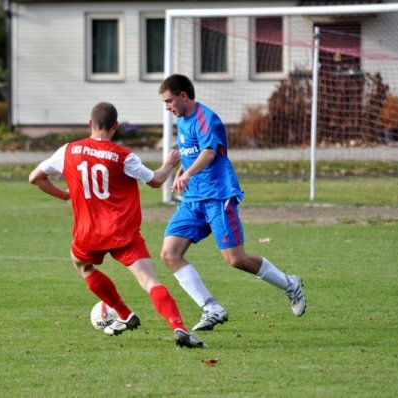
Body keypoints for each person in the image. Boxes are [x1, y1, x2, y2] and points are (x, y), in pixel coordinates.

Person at [29, 102, 205, 349]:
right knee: (149, 280)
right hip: (123, 232)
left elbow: (35, 177)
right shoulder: (123, 156)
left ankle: (124, 313)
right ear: (115, 127)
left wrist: (65, 195)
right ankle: (179, 327)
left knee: (82, 265)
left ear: (90, 124)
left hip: (88, 233)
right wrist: (169, 163)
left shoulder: (68, 150)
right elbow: (155, 181)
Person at [158, 74, 307, 332]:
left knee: (236, 259)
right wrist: (180, 170)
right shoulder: (182, 121)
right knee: (169, 254)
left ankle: (289, 283)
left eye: (169, 100)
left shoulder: (207, 118)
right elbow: (192, 151)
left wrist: (186, 174)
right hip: (193, 200)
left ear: (183, 96)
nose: (167, 107)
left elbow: (209, 152)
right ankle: (211, 307)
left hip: (218, 197)